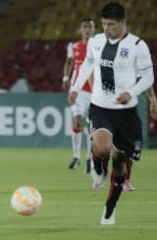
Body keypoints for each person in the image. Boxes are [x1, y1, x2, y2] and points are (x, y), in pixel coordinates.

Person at [68, 2, 154, 225]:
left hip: (126, 112)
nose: (106, 28)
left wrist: (131, 92)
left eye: (112, 25)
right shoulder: (96, 42)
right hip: (100, 106)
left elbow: (148, 77)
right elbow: (87, 64)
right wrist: (75, 88)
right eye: (104, 24)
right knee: (102, 146)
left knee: (121, 165)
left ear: (123, 23)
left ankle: (109, 209)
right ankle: (97, 165)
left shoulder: (137, 45)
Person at [63, 18, 95, 172]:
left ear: (94, 29)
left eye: (90, 27)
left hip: (95, 91)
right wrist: (65, 78)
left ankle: (90, 157)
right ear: (80, 29)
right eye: (84, 27)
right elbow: (69, 62)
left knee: (91, 125)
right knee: (77, 121)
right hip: (77, 89)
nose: (87, 29)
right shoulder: (73, 46)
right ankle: (76, 156)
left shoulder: (98, 46)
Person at [123, 86, 157, 191]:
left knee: (134, 149)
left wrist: (153, 100)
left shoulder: (135, 70)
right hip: (113, 111)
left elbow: (146, 80)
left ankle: (126, 180)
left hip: (131, 114)